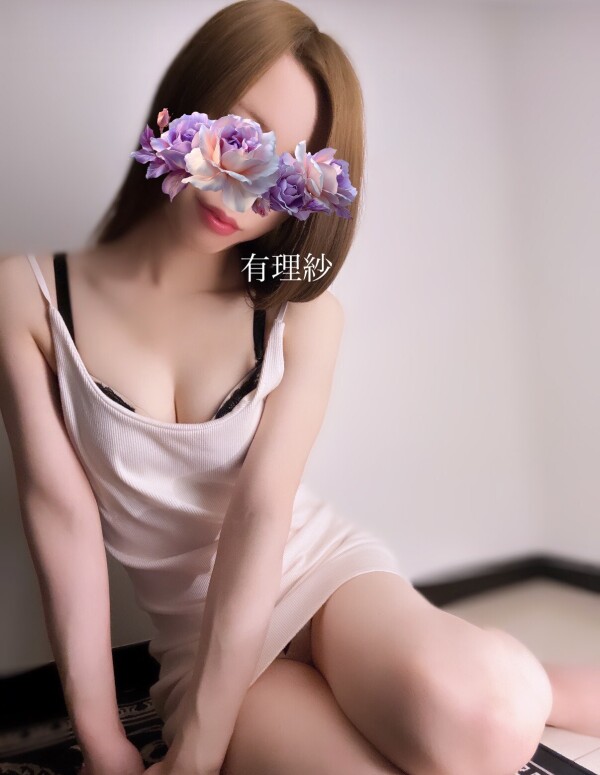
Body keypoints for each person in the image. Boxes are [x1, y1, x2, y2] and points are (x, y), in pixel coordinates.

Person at [4, 1, 598, 774]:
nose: (245, 190)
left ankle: (523, 683)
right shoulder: (26, 297)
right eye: (240, 137)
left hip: (322, 578)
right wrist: (107, 740)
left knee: (491, 717)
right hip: (199, 640)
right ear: (181, 104)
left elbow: (262, 510)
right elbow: (61, 522)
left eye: (286, 172)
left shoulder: (300, 312)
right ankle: (460, 680)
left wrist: (195, 759)